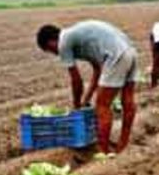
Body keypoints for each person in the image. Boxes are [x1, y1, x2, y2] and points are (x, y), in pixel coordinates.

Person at [36, 20, 139, 154]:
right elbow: (97, 69)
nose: (55, 53)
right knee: (128, 100)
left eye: (50, 50)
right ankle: (122, 144)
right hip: (130, 51)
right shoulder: (77, 36)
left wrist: (76, 105)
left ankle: (103, 151)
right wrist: (87, 98)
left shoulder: (63, 42)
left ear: (50, 42)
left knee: (102, 106)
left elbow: (76, 81)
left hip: (116, 55)